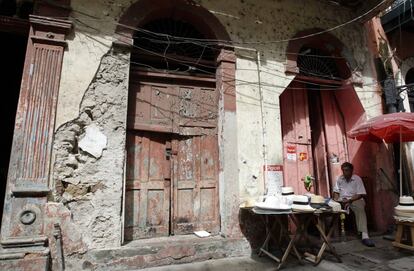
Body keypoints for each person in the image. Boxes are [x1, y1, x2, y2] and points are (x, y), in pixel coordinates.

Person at [333, 162, 375, 247]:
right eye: (343, 170)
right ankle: (333, 233)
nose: (345, 172)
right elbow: (336, 192)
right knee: (331, 207)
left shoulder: (357, 179)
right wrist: (336, 199)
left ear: (351, 170)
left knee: (360, 208)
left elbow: (360, 194)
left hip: (355, 199)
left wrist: (350, 200)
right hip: (343, 200)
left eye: (347, 170)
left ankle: (365, 235)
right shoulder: (340, 179)